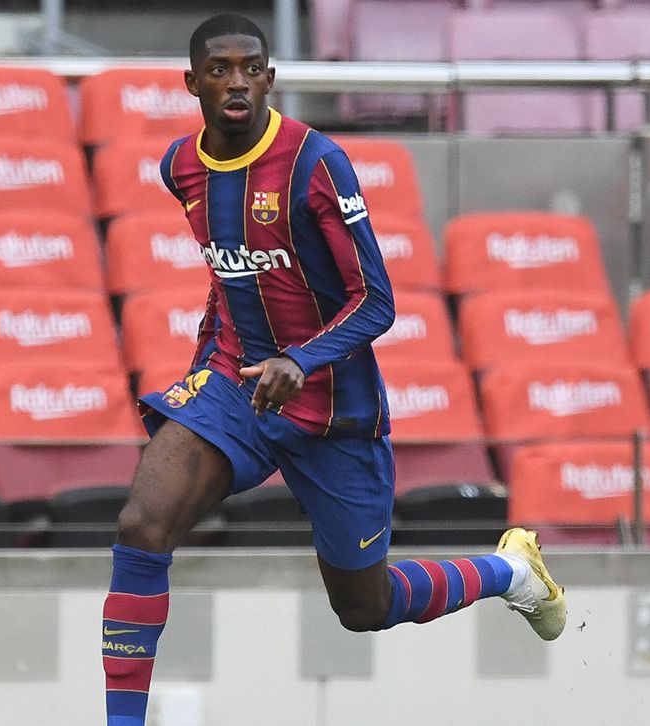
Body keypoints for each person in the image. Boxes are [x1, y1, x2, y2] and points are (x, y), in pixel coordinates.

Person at [101, 13, 566, 726]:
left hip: (334, 413)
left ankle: (511, 573)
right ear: (191, 82)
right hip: (238, 387)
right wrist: (212, 365)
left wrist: (301, 358)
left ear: (270, 78)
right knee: (141, 523)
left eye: (250, 68)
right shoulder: (180, 167)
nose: (237, 81)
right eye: (220, 69)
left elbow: (375, 302)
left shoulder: (317, 163)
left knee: (364, 607)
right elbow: (233, 272)